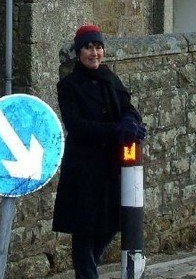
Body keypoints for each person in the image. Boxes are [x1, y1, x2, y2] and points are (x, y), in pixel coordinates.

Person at [52, 24, 147, 279]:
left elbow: (128, 107)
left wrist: (130, 122)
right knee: (84, 231)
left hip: (109, 168)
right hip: (83, 169)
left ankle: (87, 269)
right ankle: (87, 274)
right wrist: (116, 130)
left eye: (98, 47)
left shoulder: (110, 79)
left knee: (110, 225)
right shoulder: (69, 86)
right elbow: (77, 126)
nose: (94, 53)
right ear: (79, 52)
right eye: (88, 48)